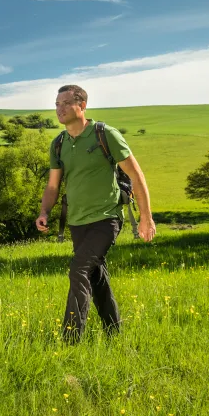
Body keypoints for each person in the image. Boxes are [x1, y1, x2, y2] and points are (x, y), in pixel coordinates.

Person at [36, 85, 156, 343]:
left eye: (66, 103)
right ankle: (114, 331)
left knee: (79, 270)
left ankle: (70, 338)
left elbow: (136, 175)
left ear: (82, 105)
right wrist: (45, 211)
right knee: (96, 275)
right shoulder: (58, 144)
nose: (60, 109)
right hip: (77, 222)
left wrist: (146, 218)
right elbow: (53, 185)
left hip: (106, 217)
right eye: (57, 104)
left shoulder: (104, 134)